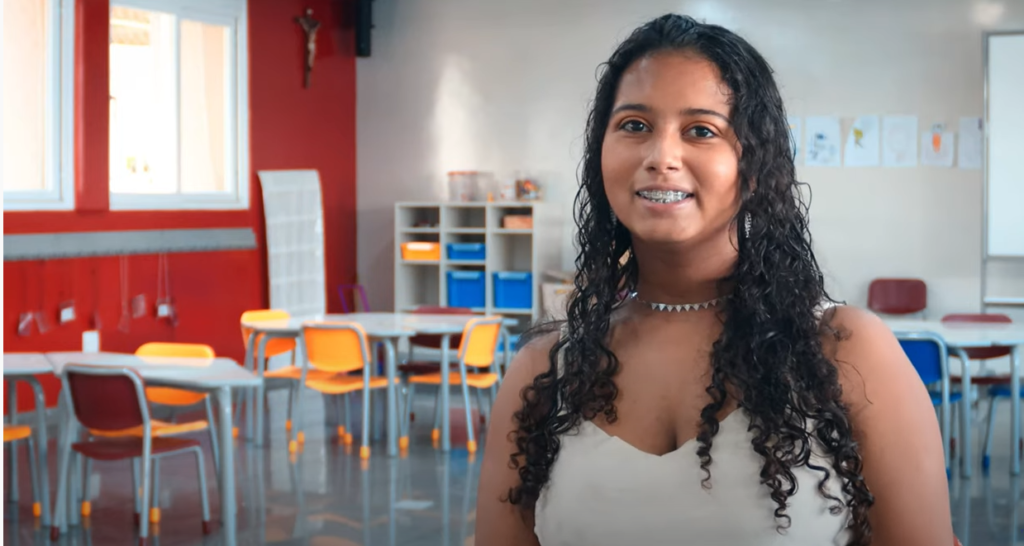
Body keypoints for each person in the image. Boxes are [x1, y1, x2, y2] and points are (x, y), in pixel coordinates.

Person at [476, 14, 952, 546]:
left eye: (701, 131)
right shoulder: (544, 371)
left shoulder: (846, 352)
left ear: (755, 166)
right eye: (634, 125)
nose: (661, 157)